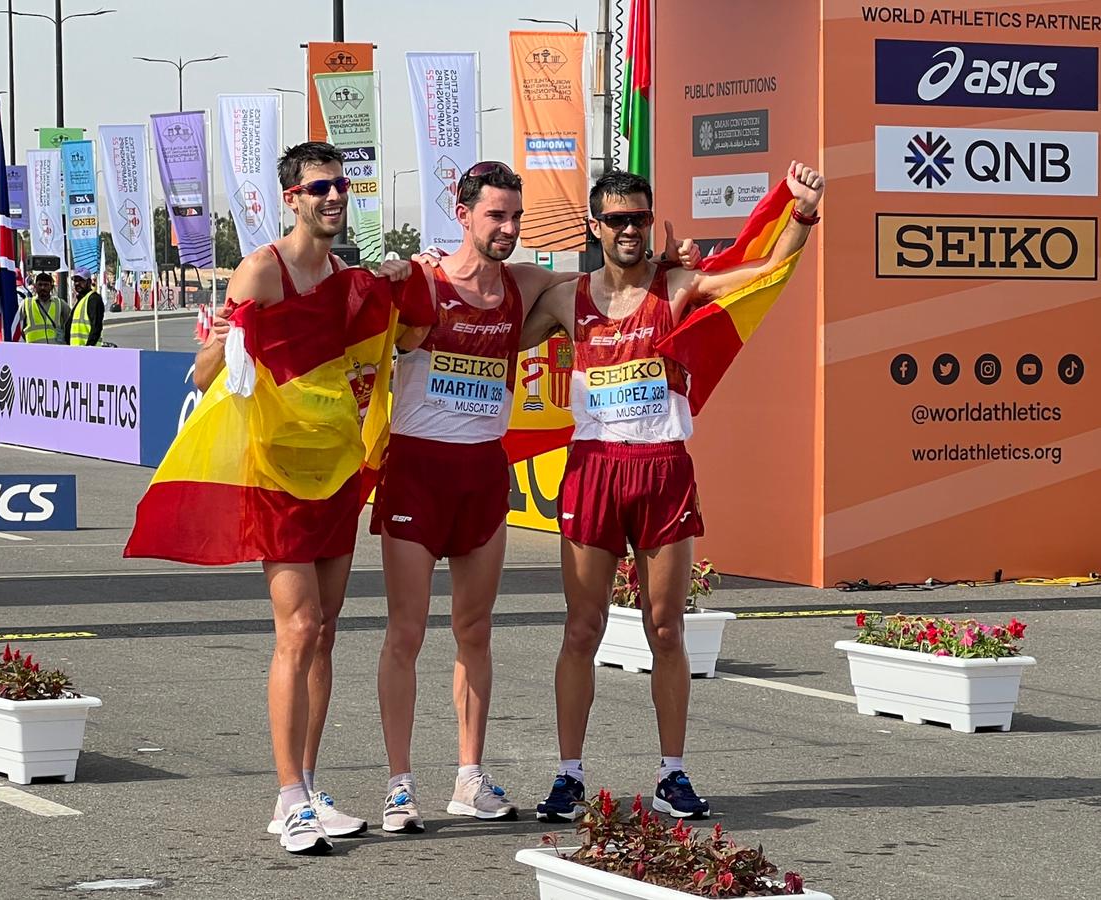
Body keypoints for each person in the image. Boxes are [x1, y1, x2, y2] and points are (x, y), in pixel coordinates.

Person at [520, 164, 824, 822]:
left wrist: (800, 213)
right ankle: (569, 776)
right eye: (618, 220)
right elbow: (487, 336)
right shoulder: (562, 298)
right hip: (593, 468)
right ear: (595, 226)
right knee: (582, 629)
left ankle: (672, 773)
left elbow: (764, 274)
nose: (630, 230)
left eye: (640, 218)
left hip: (661, 468)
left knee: (666, 627)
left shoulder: (678, 285)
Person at [179, 141, 425, 854]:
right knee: (299, 626)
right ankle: (287, 798)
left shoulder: (349, 278)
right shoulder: (261, 270)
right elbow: (203, 375)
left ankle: (309, 784)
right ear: (293, 197)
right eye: (320, 188)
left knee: (326, 629)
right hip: (277, 477)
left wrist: (398, 282)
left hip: (336, 473)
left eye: (342, 186)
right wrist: (223, 347)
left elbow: (405, 335)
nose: (334, 197)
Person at [369, 160, 582, 834]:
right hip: (417, 472)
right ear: (462, 215)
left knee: (475, 630)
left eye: (516, 217)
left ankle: (469, 776)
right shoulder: (426, 282)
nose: (509, 229)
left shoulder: (526, 284)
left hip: (483, 475)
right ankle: (400, 786)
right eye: (496, 216)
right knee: (406, 632)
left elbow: (610, 287)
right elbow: (359, 318)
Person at [22, 272, 70, 345]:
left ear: (51, 287)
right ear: (35, 286)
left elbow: (70, 324)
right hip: (33, 351)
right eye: (40, 285)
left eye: (46, 285)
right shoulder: (26, 303)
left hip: (56, 351)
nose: (43, 288)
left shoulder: (60, 303)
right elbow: (17, 327)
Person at [69, 267, 105, 346]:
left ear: (89, 282)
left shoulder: (94, 299)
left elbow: (96, 327)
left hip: (88, 352)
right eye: (75, 280)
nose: (77, 283)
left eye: (81, 280)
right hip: (77, 350)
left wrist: (88, 348)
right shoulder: (81, 300)